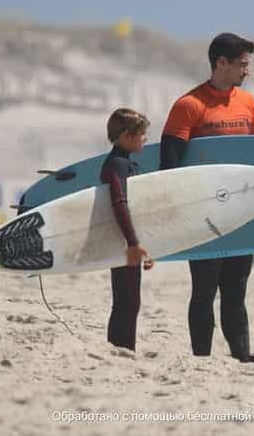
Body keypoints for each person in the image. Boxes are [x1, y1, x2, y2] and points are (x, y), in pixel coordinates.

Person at [160, 32, 254, 363]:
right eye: (243, 65)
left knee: (237, 289)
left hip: (240, 211)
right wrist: (180, 215)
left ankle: (242, 356)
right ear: (221, 63)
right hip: (203, 213)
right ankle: (201, 359)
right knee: (204, 289)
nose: (248, 71)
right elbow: (169, 165)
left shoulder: (248, 103)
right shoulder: (189, 106)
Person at [100, 107, 154, 351]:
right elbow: (119, 202)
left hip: (126, 239)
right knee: (127, 301)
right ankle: (120, 350)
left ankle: (120, 349)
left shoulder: (122, 163)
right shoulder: (117, 165)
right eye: (142, 134)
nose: (146, 139)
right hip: (123, 241)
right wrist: (132, 243)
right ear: (126, 136)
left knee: (127, 300)